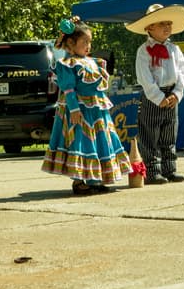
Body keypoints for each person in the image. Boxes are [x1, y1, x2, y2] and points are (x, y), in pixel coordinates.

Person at [41, 17, 132, 195]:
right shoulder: (67, 64)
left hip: (96, 110)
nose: (88, 46)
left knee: (99, 141)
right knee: (81, 142)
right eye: (84, 42)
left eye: (90, 42)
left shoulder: (92, 62)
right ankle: (79, 181)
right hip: (80, 111)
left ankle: (95, 179)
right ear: (71, 43)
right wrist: (74, 109)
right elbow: (68, 88)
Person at [128, 3, 184, 184]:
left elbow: (182, 72)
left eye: (169, 24)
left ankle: (169, 169)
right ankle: (152, 171)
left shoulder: (174, 49)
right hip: (153, 97)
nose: (167, 27)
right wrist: (157, 97)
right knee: (150, 134)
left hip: (171, 95)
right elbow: (144, 77)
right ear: (149, 28)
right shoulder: (143, 51)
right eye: (162, 24)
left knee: (169, 133)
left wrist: (177, 93)